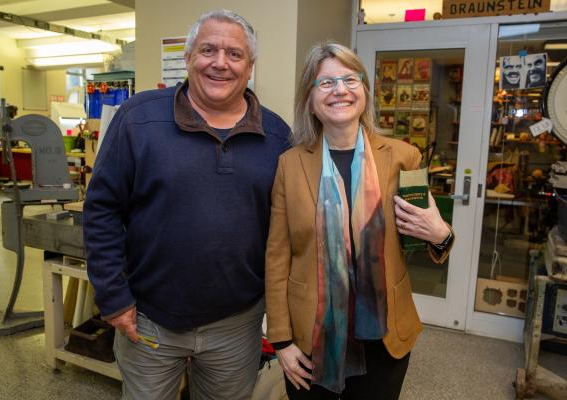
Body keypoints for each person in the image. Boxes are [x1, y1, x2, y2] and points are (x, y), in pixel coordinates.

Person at [84, 9, 290, 400]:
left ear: (250, 67)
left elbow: (287, 227)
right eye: (208, 50)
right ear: (189, 57)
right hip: (148, 318)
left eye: (234, 54)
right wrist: (113, 297)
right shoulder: (137, 119)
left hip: (237, 322)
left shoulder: (277, 136)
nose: (220, 63)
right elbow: (101, 210)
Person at [265, 42, 454, 400]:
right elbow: (277, 256)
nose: (340, 90)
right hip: (311, 337)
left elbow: (423, 237)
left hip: (383, 335)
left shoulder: (403, 157)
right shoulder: (290, 164)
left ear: (364, 90)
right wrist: (281, 340)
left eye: (350, 79)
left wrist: (441, 234)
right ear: (310, 97)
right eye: (326, 83)